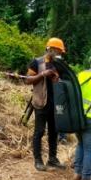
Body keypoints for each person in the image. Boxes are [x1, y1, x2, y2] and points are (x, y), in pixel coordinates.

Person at [23, 38, 66, 171]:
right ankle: (38, 160)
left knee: (54, 131)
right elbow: (27, 80)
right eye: (58, 51)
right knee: (39, 132)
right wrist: (43, 74)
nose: (60, 54)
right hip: (41, 102)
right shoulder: (36, 62)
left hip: (55, 103)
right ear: (51, 49)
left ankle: (52, 159)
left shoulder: (59, 64)